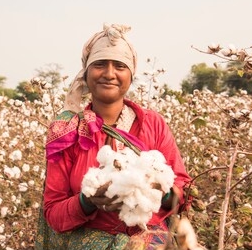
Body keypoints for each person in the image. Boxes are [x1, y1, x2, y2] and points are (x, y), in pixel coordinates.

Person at [35, 23, 192, 250]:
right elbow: (54, 212)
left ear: (130, 75)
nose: (109, 74)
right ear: (86, 73)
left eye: (119, 66)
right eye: (99, 65)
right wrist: (86, 202)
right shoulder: (67, 131)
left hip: (150, 241)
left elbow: (183, 193)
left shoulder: (153, 124)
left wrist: (162, 190)